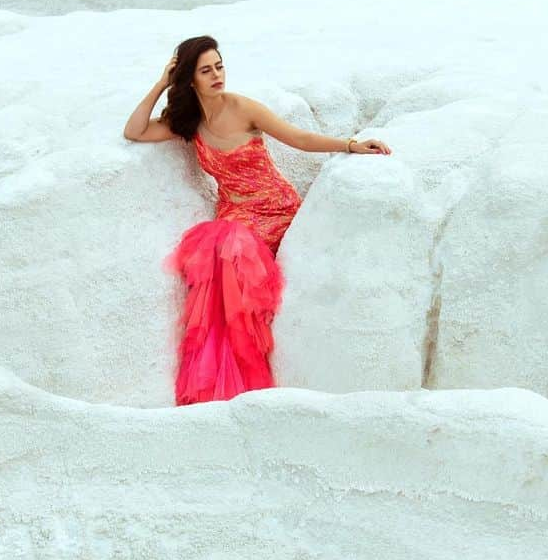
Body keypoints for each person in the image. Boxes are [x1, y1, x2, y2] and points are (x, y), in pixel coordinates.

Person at [123, 34, 391, 405]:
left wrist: (350, 145)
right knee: (217, 251)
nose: (217, 75)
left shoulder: (244, 108)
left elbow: (298, 137)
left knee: (228, 249)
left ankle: (243, 374)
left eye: (219, 66)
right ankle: (216, 381)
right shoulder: (187, 120)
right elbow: (134, 131)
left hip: (273, 209)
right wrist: (160, 83)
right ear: (189, 79)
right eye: (206, 70)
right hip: (234, 215)